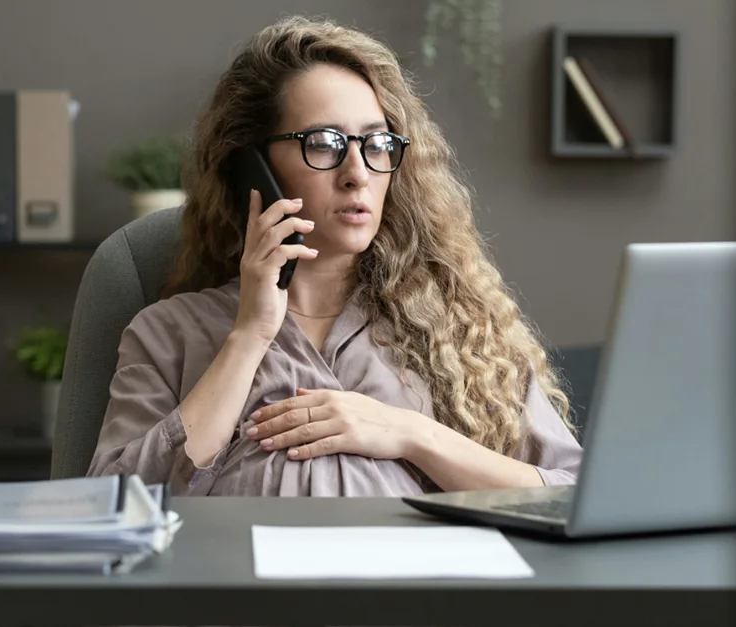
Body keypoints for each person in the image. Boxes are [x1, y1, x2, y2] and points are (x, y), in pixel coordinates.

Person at [87, 15, 582, 497]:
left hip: (418, 581)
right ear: (251, 168)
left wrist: (413, 434)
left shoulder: (460, 333)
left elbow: (571, 494)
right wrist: (249, 336)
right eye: (324, 144)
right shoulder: (170, 333)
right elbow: (113, 506)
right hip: (237, 580)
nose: (357, 173)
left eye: (377, 143)